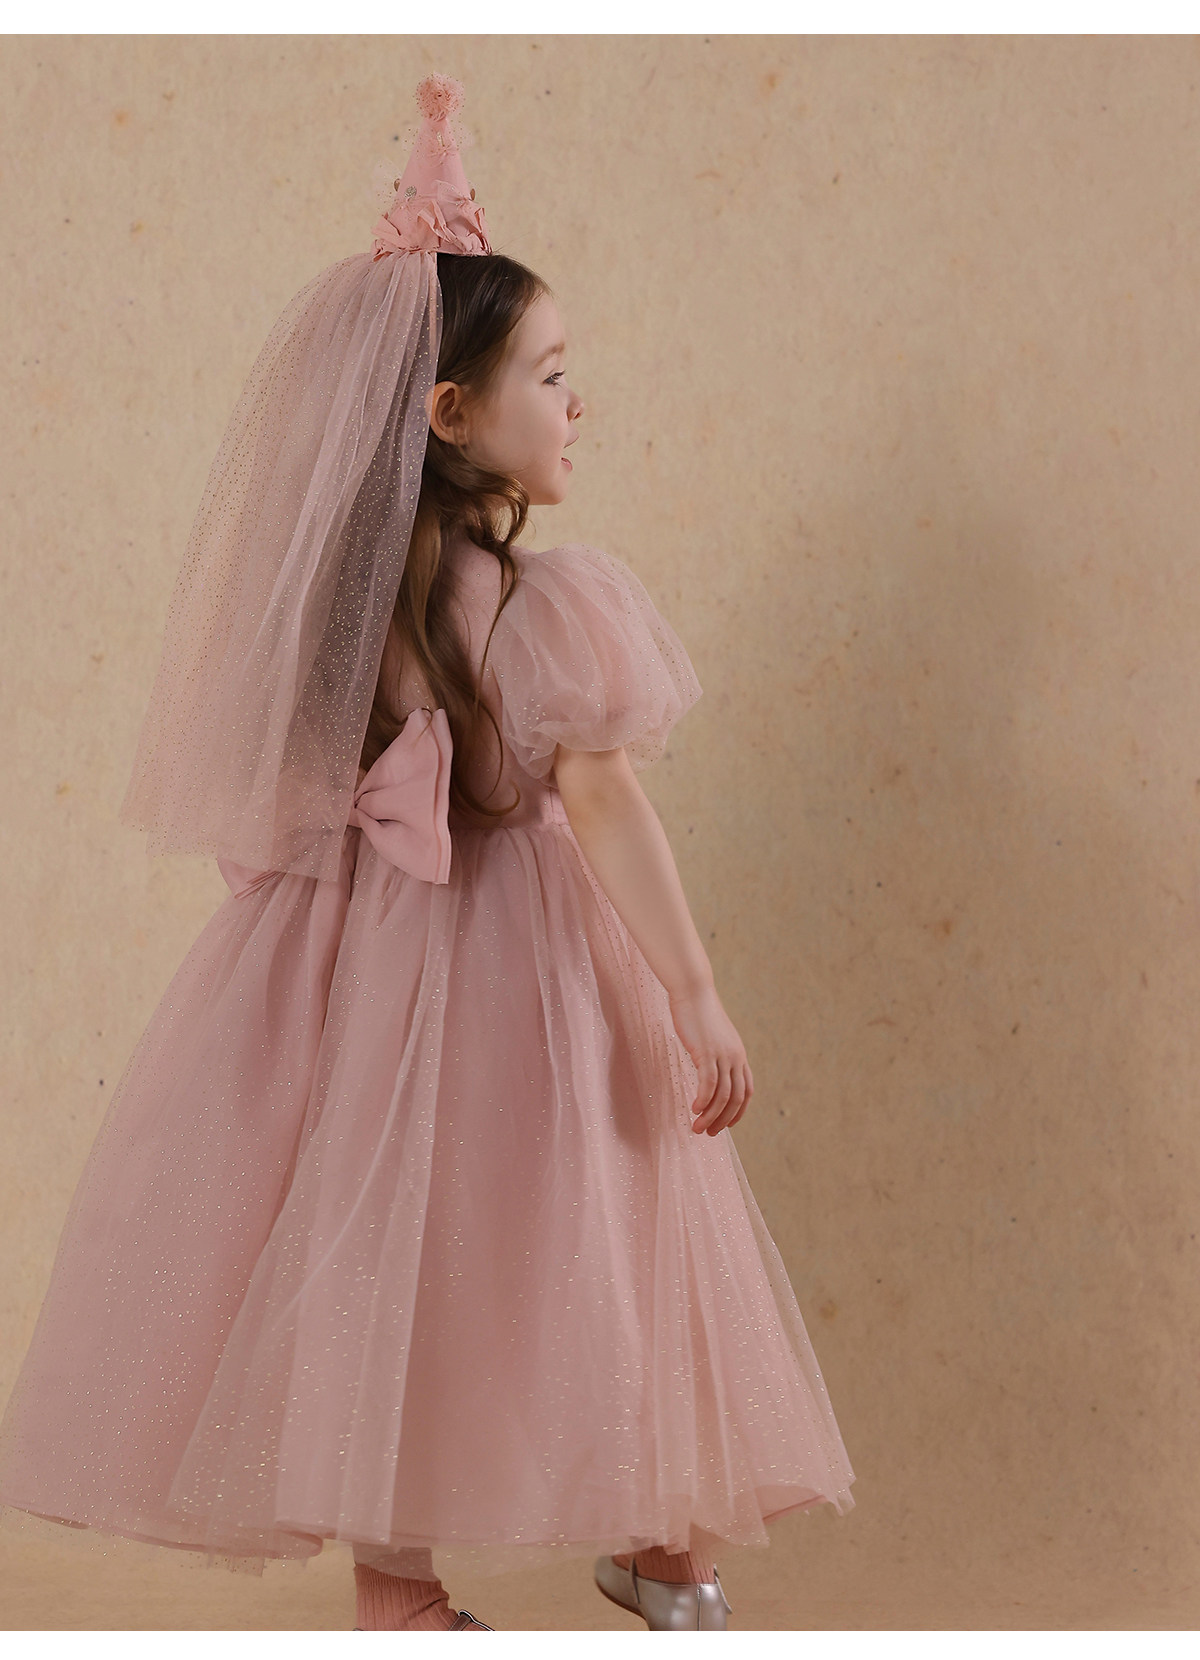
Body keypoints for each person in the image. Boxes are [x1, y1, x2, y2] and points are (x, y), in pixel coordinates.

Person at [0, 76, 855, 1632]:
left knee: (373, 1247)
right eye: (552, 374)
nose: (578, 404)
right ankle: (665, 1541)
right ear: (451, 416)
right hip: (529, 974)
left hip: (356, 968)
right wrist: (694, 991)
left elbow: (280, 777)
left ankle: (401, 1590)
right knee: (602, 1219)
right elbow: (606, 804)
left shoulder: (335, 620)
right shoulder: (546, 606)